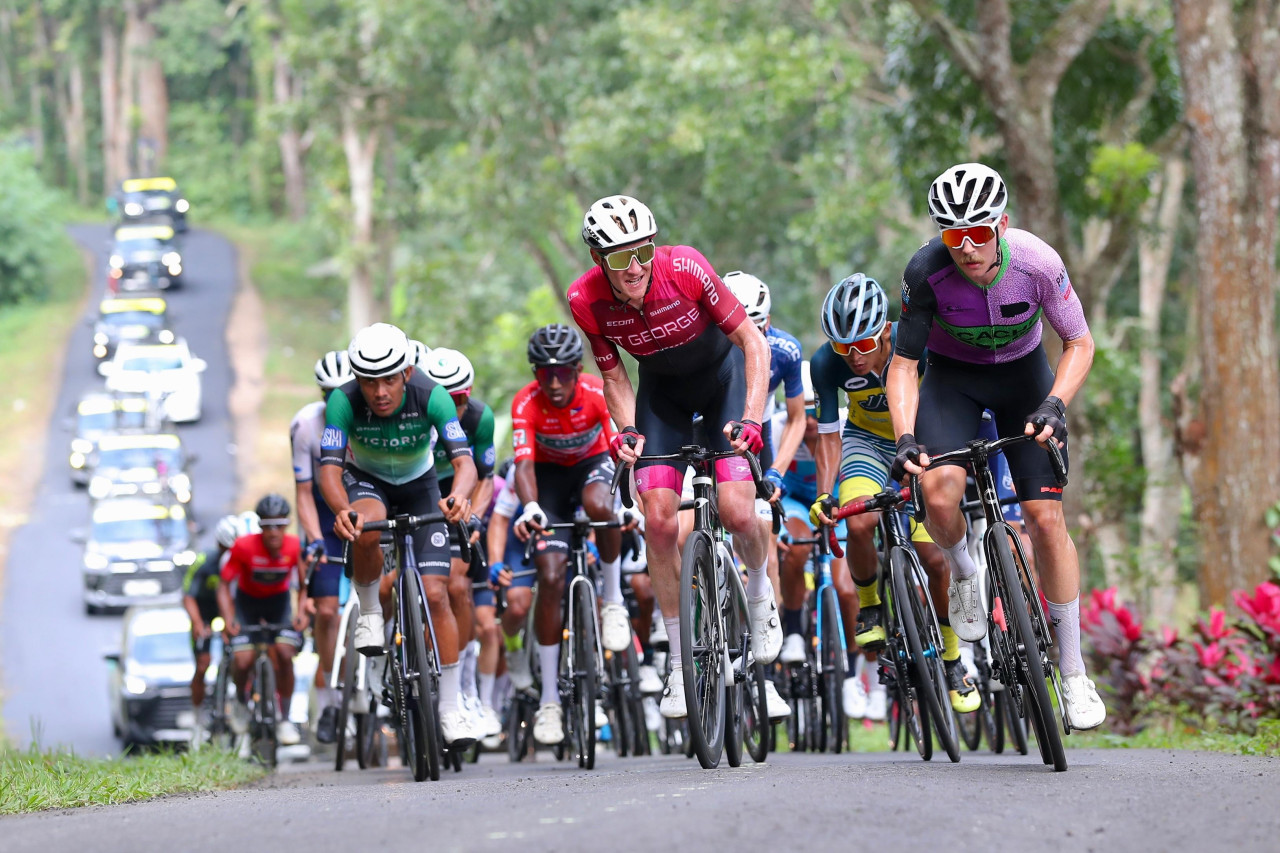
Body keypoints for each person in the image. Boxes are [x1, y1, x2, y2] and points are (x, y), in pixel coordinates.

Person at [885, 162, 1106, 729]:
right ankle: (964, 572)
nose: (966, 247)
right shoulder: (925, 270)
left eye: (979, 233)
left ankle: (1074, 673)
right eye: (953, 235)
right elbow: (905, 365)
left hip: (1025, 377)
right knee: (937, 494)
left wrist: (1056, 402)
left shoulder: (1037, 263)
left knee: (1044, 517)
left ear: (1002, 226)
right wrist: (906, 434)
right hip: (952, 381)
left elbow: (1078, 343)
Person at [566, 194, 782, 720]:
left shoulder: (685, 267)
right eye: (619, 258)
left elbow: (753, 344)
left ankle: (758, 592)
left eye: (642, 251)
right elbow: (615, 376)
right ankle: (682, 666)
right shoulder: (585, 300)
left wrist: (752, 419)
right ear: (599, 261)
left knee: (735, 511)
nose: (635, 267)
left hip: (723, 385)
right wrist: (628, 430)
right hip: (661, 398)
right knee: (658, 521)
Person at [809, 274, 977, 714]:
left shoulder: (915, 340)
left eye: (863, 344)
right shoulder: (825, 364)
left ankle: (954, 656)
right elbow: (828, 437)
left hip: (922, 439)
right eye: (843, 347)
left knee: (934, 557)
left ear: (885, 330)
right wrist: (827, 494)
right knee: (859, 520)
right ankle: (870, 607)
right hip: (865, 442)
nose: (853, 357)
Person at [318, 322, 480, 746]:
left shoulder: (432, 394)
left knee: (438, 592)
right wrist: (341, 510)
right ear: (357, 381)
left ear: (407, 372)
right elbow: (330, 470)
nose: (380, 392)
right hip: (367, 481)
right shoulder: (343, 401)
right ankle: (371, 612)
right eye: (369, 382)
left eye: (389, 379)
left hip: (421, 485)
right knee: (365, 524)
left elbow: (464, 464)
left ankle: (450, 708)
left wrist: (460, 498)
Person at [507, 324, 627, 745]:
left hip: (592, 467)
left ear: (578, 370)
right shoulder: (525, 402)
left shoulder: (596, 393)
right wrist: (531, 506)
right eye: (545, 374)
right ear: (535, 375)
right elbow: (523, 466)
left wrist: (626, 502)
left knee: (601, 507)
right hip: (548, 480)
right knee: (551, 576)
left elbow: (618, 451)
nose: (554, 384)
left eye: (563, 373)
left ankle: (612, 601)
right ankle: (549, 702)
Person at [422, 346, 500, 738]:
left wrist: (475, 516)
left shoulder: (479, 418)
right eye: (447, 399)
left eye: (461, 399)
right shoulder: (417, 410)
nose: (455, 406)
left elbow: (485, 475)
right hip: (419, 490)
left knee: (456, 585)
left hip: (459, 492)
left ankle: (464, 686)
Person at [289, 349, 354, 744]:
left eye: (341, 392)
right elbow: (302, 493)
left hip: (363, 505)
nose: (335, 401)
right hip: (324, 519)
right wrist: (313, 538)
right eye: (328, 393)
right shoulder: (305, 426)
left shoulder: (364, 419)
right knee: (328, 612)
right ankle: (330, 698)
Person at [217, 494, 314, 746]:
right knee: (243, 658)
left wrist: (302, 611)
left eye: (279, 526)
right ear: (260, 527)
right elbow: (224, 586)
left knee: (284, 652)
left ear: (287, 526)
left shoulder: (294, 547)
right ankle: (240, 701)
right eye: (267, 526)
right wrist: (228, 619)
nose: (273, 532)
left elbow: (303, 586)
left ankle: (285, 718)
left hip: (278, 605)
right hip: (247, 605)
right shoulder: (243, 547)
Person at [182, 513, 244, 733]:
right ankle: (197, 717)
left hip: (230, 609)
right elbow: (188, 596)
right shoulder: (204, 561)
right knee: (203, 664)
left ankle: (240, 705)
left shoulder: (242, 560)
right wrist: (198, 623)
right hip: (205, 612)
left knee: (242, 657)